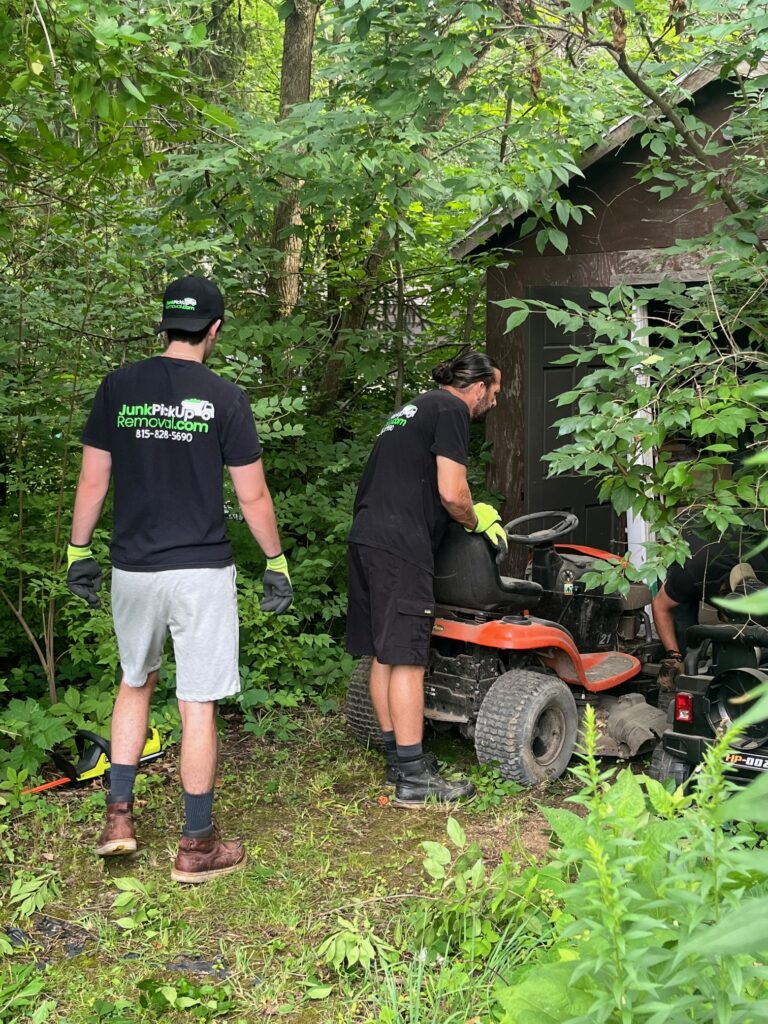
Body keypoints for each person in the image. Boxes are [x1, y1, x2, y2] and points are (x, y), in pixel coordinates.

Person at [66, 275, 293, 883]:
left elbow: (94, 481)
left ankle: (119, 820)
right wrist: (275, 562)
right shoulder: (225, 397)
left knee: (133, 682)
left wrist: (77, 552)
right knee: (197, 705)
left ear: (164, 322)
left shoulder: (119, 387)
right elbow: (253, 494)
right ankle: (196, 848)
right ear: (215, 329)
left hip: (134, 569)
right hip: (200, 572)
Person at [346, 351, 507, 807]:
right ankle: (414, 778)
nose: (493, 403)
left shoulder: (413, 409)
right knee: (409, 658)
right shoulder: (452, 409)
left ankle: (400, 761)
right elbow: (453, 491)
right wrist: (476, 521)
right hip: (401, 546)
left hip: (367, 537)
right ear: (477, 387)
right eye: (494, 394)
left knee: (385, 652)